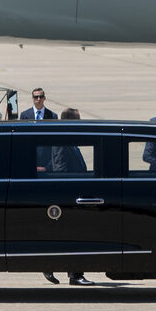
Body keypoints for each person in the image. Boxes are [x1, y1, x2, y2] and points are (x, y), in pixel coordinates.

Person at [42, 109, 94, 286]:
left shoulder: (69, 140)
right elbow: (60, 169)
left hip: (73, 195)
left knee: (68, 236)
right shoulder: (62, 142)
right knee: (73, 236)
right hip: (69, 197)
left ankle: (53, 267)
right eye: (78, 120)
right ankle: (74, 274)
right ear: (70, 121)